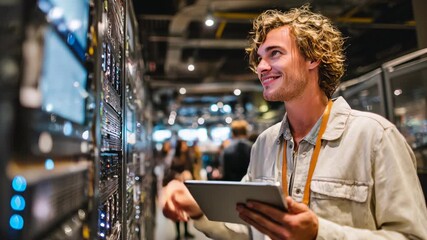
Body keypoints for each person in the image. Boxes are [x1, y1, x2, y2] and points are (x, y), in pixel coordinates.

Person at [161, 4, 427, 240]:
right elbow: (250, 227)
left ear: (313, 57)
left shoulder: (375, 137)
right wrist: (197, 208)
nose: (262, 67)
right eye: (260, 58)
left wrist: (318, 234)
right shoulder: (265, 143)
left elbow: (411, 235)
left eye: (274, 53)